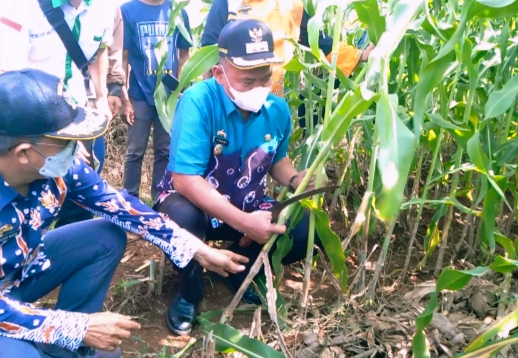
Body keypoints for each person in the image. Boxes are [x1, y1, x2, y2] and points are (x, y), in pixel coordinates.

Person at [0, 69, 248, 358]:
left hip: (21, 272)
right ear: (23, 153)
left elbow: (119, 205)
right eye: (65, 143)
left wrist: (194, 248)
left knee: (104, 236)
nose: (77, 150)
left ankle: (64, 352)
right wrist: (74, 326)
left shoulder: (59, 171)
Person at [155, 19, 325, 336]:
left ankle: (236, 269)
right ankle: (189, 293)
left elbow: (276, 159)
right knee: (181, 220)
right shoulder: (197, 102)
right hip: (195, 203)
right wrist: (247, 224)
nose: (258, 89)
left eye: (265, 79)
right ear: (220, 74)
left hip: (247, 201)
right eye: (248, 81)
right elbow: (185, 180)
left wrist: (293, 179)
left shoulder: (277, 109)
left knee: (304, 230)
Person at [0, 0, 116, 228]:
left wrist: (101, 97)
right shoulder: (18, 6)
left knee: (81, 190)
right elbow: (10, 80)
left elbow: (99, 50)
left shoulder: (104, 6)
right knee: (29, 191)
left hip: (80, 112)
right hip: (32, 121)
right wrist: (63, 139)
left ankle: (66, 244)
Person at [200, 0, 374, 97]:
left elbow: (318, 41)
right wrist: (207, 97)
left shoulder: (290, 5)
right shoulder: (228, 3)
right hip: (230, 97)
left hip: (271, 95)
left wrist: (360, 55)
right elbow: (208, 51)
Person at [120, 0, 192, 200]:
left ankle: (160, 200)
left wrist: (179, 86)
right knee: (135, 151)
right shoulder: (128, 11)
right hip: (138, 95)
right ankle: (129, 201)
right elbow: (123, 57)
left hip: (168, 97)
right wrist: (124, 97)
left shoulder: (178, 12)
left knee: (164, 151)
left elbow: (184, 54)